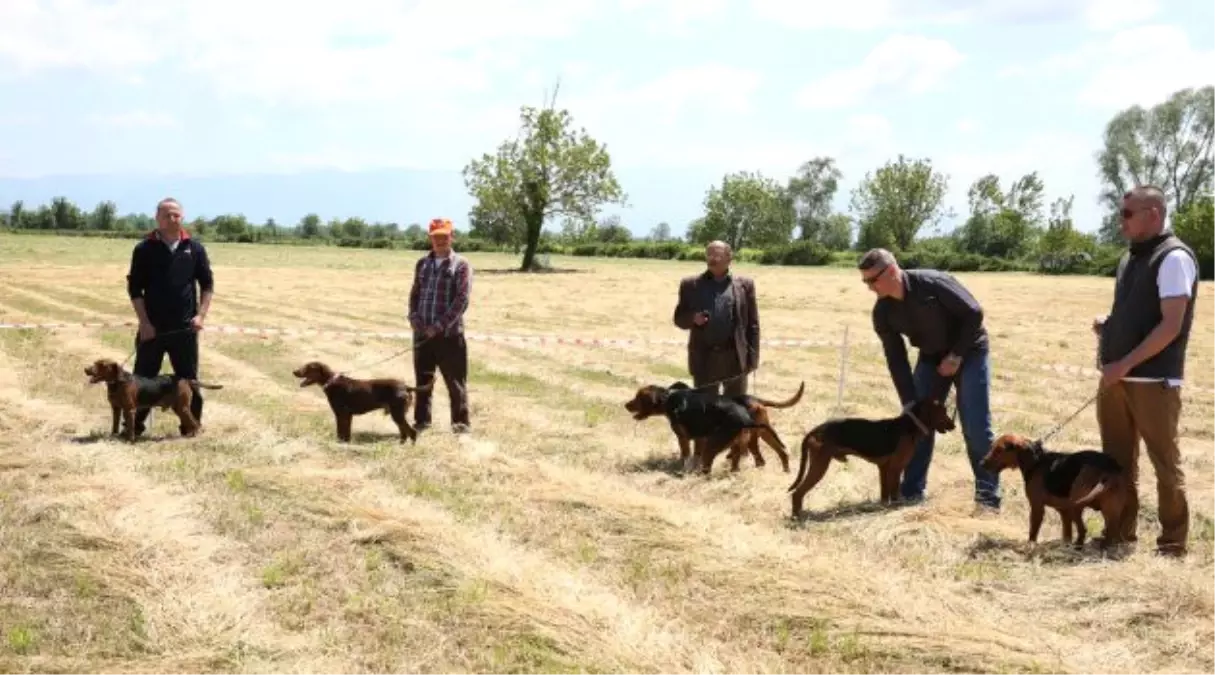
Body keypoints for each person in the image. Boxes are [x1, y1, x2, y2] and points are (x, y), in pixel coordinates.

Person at [1093, 185, 1200, 558]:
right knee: (1117, 463)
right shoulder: (1130, 258)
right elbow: (1139, 313)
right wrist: (1109, 326)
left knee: (1164, 463)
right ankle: (1120, 534)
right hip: (1118, 379)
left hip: (1153, 381)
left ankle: (1172, 544)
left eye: (1127, 214)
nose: (1120, 221)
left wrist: (1124, 363)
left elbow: (1170, 326)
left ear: (1153, 214)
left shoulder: (1173, 258)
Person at [858, 248, 1000, 512]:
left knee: (976, 426)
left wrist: (956, 355)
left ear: (890, 271)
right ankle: (912, 493)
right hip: (931, 358)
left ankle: (988, 498)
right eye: (865, 281)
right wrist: (910, 402)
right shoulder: (883, 312)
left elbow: (974, 313)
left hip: (969, 352)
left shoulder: (933, 283)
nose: (869, 287)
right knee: (915, 425)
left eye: (872, 280)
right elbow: (896, 358)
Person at [125, 197, 214, 437]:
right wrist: (144, 323)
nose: (172, 219)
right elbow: (135, 289)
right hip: (152, 329)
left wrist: (200, 317)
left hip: (185, 329)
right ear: (157, 218)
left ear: (182, 218)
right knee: (143, 380)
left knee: (189, 381)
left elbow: (207, 285)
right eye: (167, 215)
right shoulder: (144, 249)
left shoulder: (194, 248)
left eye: (176, 215)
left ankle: (191, 428)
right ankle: (134, 427)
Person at [408, 217, 473, 434]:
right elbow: (415, 293)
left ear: (452, 237)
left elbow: (461, 301)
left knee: (455, 384)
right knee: (423, 382)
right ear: (430, 239)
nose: (440, 241)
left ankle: (461, 426)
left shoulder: (461, 265)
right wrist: (414, 318)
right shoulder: (422, 263)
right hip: (422, 335)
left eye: (444, 236)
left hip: (449, 336)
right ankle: (421, 423)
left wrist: (438, 326)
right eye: (436, 237)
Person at [672, 240, 760, 396]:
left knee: (736, 409)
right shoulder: (690, 285)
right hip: (705, 358)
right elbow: (679, 318)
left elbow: (752, 325)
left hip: (735, 358)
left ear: (729, 258)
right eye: (709, 254)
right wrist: (693, 318)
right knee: (705, 410)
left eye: (717, 254)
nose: (712, 258)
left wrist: (752, 360)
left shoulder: (745, 285)